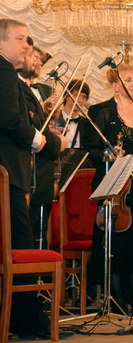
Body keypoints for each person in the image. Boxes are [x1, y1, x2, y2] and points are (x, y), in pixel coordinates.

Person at [0, 18, 63, 339]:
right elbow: (10, 119)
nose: (27, 45)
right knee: (19, 248)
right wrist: (42, 141)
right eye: (21, 39)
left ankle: (15, 318)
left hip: (9, 172)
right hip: (8, 174)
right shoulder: (4, 71)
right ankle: (26, 321)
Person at [81, 63, 133, 315]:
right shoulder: (101, 111)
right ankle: (114, 297)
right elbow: (89, 149)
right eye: (128, 80)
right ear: (115, 85)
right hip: (115, 185)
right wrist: (108, 154)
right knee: (115, 241)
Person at [19, 39, 65, 249]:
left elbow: (48, 125)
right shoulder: (17, 86)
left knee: (41, 226)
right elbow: (28, 124)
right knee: (24, 228)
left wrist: (53, 117)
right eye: (35, 57)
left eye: (41, 60)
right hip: (28, 165)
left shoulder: (45, 89)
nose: (39, 63)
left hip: (44, 168)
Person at [54, 79, 91, 150]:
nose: (80, 100)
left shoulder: (87, 124)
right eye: (76, 95)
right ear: (66, 96)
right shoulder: (53, 118)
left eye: (84, 97)